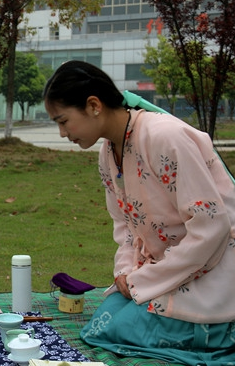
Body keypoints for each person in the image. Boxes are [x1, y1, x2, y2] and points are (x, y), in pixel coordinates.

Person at [43, 60, 235, 365]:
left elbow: (212, 227)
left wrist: (143, 281)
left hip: (212, 270)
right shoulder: (109, 153)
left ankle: (218, 332)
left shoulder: (164, 137)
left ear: (94, 105)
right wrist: (125, 272)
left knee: (112, 330)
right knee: (103, 323)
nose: (62, 133)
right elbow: (125, 225)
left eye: (63, 121)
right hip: (162, 269)